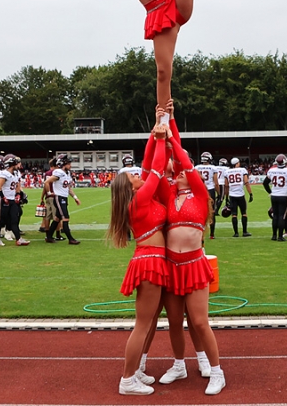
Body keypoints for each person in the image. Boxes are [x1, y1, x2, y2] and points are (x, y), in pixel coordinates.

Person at [160, 110, 226, 396]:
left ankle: (217, 371)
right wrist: (161, 125)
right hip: (171, 265)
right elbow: (161, 163)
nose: (183, 171)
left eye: (185, 169)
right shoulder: (170, 193)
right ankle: (179, 364)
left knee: (199, 321)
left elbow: (182, 159)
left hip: (195, 264)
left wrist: (172, 123)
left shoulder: (199, 192)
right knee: (174, 321)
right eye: (179, 171)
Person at [107, 122, 170, 396]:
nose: (137, 174)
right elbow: (155, 169)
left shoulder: (138, 196)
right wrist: (162, 131)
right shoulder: (140, 198)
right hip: (150, 261)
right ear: (130, 187)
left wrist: (153, 133)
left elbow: (147, 165)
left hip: (152, 258)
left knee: (152, 319)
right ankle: (127, 379)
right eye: (133, 175)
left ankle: (137, 368)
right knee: (143, 323)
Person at [44, 155, 81, 244]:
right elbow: (47, 182)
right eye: (68, 164)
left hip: (63, 197)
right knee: (66, 217)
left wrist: (75, 197)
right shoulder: (59, 172)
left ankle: (49, 237)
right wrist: (49, 193)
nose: (70, 165)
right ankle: (70, 239)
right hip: (59, 198)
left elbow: (68, 188)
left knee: (57, 219)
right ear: (63, 164)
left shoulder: (66, 173)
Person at [0, 155, 30, 246]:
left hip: (12, 200)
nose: (19, 164)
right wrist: (3, 197)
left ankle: (18, 239)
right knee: (1, 221)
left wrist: (18, 195)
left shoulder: (15, 173)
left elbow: (17, 186)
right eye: (17, 163)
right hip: (4, 200)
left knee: (14, 219)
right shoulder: (4, 173)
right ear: (12, 163)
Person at [263, 154, 287, 241]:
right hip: (284, 196)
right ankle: (280, 236)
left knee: (275, 215)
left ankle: (274, 235)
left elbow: (265, 183)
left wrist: (271, 192)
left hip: (274, 196)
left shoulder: (272, 170)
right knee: (282, 216)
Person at [223, 157, 252, 237]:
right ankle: (244, 232)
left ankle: (236, 233)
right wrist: (250, 194)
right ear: (237, 163)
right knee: (244, 213)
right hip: (240, 195)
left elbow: (226, 185)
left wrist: (226, 197)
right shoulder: (242, 170)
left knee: (234, 214)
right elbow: (246, 182)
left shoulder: (227, 172)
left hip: (232, 195)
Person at [194, 151, 219, 239]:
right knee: (212, 212)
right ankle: (212, 234)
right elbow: (216, 182)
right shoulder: (213, 168)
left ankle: (200, 233)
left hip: (200, 190)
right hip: (210, 190)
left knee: (199, 212)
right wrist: (219, 193)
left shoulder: (196, 167)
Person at [39, 159, 63, 239]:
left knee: (47, 217)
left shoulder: (47, 173)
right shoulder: (56, 173)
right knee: (57, 216)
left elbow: (45, 186)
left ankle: (47, 235)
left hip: (47, 196)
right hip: (54, 195)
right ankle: (58, 234)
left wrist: (42, 197)